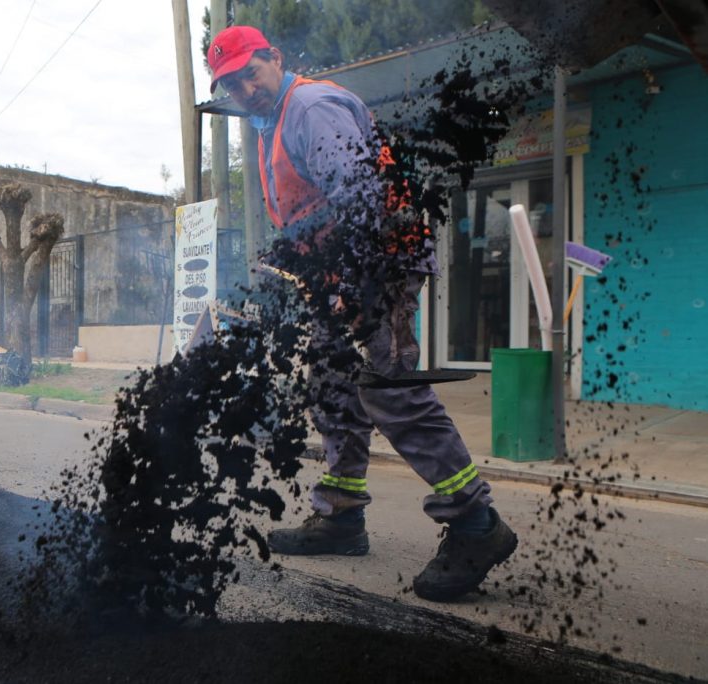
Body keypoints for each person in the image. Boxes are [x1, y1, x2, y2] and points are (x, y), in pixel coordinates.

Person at [207, 25, 518, 602]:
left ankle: (475, 522)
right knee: (333, 386)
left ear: (274, 59)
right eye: (230, 81)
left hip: (376, 260)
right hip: (336, 270)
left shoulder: (310, 107)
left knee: (387, 386)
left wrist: (352, 278)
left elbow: (358, 192)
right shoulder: (271, 120)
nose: (244, 86)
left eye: (251, 71)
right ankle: (341, 516)